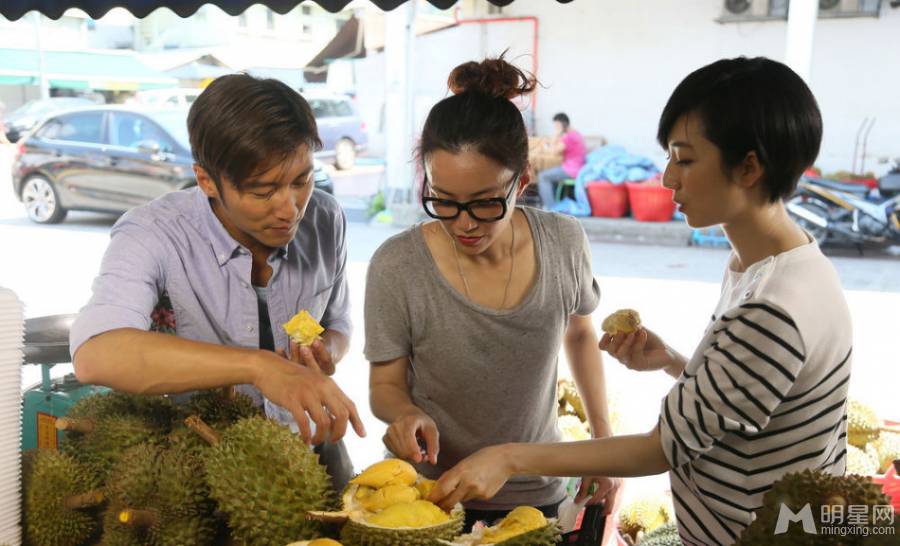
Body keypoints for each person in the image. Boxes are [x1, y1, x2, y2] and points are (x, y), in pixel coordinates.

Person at [428, 57, 852, 546]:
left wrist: (509, 456)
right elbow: (759, 401)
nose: (668, 178)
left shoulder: (773, 306)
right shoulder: (774, 265)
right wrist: (674, 362)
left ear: (749, 166)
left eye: (685, 159)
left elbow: (660, 449)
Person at [69, 74, 365, 489]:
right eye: (263, 191)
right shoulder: (153, 233)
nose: (290, 208)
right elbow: (97, 353)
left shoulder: (325, 218)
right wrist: (259, 368)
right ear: (207, 180)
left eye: (301, 180)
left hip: (311, 451)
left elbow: (338, 323)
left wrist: (324, 352)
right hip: (203, 466)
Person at [364, 56, 621, 532]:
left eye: (485, 203)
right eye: (442, 200)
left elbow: (581, 335)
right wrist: (404, 414)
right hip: (426, 497)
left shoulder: (563, 243)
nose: (463, 223)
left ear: (521, 182)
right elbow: (385, 385)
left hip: (535, 492)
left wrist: (601, 438)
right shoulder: (397, 265)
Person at [536, 112, 586, 209]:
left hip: (572, 170)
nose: (555, 128)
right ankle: (553, 204)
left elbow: (554, 151)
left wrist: (556, 134)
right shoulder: (575, 134)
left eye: (556, 126)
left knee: (543, 176)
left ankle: (551, 207)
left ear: (561, 124)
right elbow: (557, 150)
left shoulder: (569, 137)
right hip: (576, 167)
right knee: (549, 175)